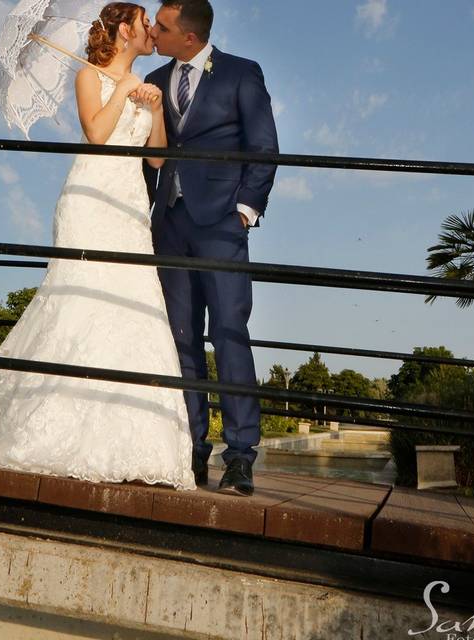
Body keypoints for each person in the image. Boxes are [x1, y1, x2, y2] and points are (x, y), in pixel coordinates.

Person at [0, 3, 195, 491]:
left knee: (131, 310)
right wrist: (123, 90)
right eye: (144, 20)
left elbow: (158, 159)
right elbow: (97, 134)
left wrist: (156, 107)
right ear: (124, 29)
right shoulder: (89, 77)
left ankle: (130, 440)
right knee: (77, 302)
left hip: (127, 210)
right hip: (87, 204)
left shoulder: (150, 87)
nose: (151, 29)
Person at [145, 0, 278, 496]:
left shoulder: (242, 74)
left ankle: (240, 456)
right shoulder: (155, 78)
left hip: (222, 221)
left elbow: (264, 147)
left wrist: (245, 209)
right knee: (181, 338)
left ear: (191, 36)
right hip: (171, 223)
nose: (153, 32)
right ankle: (192, 448)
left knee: (229, 332)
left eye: (162, 25)